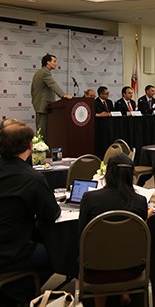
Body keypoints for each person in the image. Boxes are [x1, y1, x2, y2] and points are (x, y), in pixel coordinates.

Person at [0, 121, 61, 304]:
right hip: (12, 250)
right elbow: (52, 213)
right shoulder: (31, 178)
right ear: (30, 146)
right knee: (58, 254)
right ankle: (21, 292)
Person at [78, 153, 149, 307]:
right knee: (122, 245)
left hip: (94, 270)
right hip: (132, 268)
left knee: (98, 250)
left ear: (107, 173)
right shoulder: (140, 201)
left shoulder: (90, 198)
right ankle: (124, 291)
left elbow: (81, 235)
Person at [30, 53, 72, 141]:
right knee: (42, 132)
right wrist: (63, 95)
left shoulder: (39, 72)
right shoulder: (45, 72)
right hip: (43, 106)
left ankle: (43, 151)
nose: (56, 63)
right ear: (48, 62)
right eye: (54, 61)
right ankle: (41, 152)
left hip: (40, 105)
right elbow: (52, 84)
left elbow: (32, 90)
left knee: (42, 131)